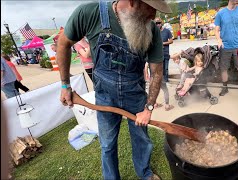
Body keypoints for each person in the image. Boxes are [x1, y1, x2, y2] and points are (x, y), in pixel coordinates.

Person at [56, 0, 171, 179]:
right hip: (105, 97)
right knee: (107, 144)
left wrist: (148, 108)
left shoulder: (151, 30)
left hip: (136, 95)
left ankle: (145, 173)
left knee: (142, 140)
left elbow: (157, 72)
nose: (154, 15)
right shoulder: (89, 13)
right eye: (151, 8)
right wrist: (65, 85)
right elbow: (63, 44)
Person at [214, 0, 238, 96]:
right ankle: (225, 87)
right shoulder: (220, 13)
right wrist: (219, 40)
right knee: (224, 68)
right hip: (225, 46)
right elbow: (216, 30)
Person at [154, 17, 173, 82]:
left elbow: (171, 41)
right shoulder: (154, 32)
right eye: (156, 23)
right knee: (159, 68)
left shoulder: (167, 31)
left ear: (161, 23)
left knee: (166, 68)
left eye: (159, 23)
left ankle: (166, 80)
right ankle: (161, 81)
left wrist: (163, 43)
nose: (158, 25)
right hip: (157, 54)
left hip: (165, 53)